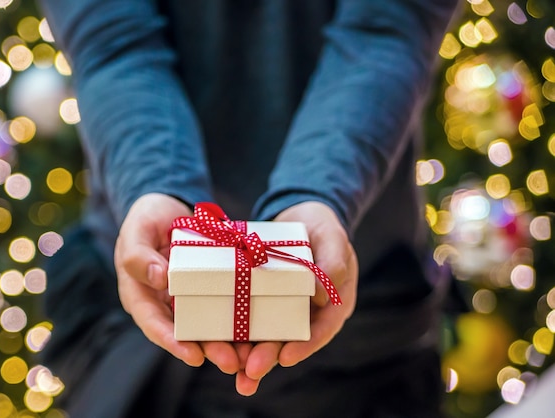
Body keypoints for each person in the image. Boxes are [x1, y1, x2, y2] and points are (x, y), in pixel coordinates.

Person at [37, 0, 459, 416]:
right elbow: (114, 43)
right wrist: (157, 186)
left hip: (359, 312)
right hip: (150, 305)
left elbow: (385, 30)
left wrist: (317, 193)